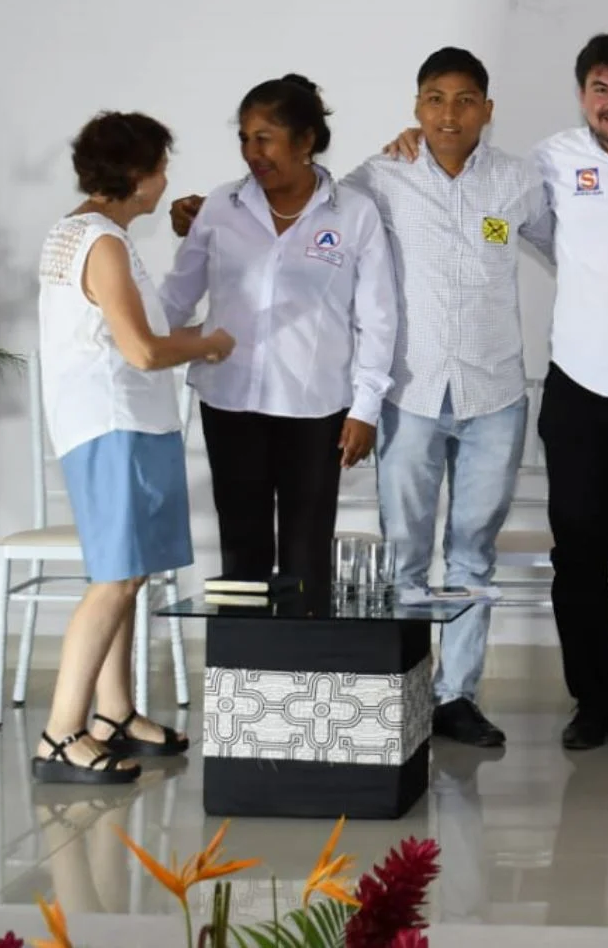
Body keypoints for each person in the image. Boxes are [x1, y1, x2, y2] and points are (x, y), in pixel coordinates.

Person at [176, 50, 545, 747]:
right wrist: (200, 213)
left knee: (472, 552)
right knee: (403, 555)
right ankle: (404, 690)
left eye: (465, 100)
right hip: (410, 391)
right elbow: (299, 203)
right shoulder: (377, 179)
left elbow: (572, 251)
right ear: (416, 106)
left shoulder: (519, 182)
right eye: (434, 99)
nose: (448, 114)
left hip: (494, 392)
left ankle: (457, 697)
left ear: (487, 110)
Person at [385, 31, 608, 751]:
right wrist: (416, 141)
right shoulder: (546, 164)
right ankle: (592, 702)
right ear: (582, 95)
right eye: (602, 89)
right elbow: (496, 207)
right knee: (581, 554)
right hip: (582, 393)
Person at [33, 112, 234, 783]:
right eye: (161, 168)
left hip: (123, 424)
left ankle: (114, 714)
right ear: (137, 175)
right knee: (114, 579)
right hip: (112, 424)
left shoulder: (83, 232)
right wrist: (209, 342)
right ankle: (61, 735)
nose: (166, 179)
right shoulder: (102, 243)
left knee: (129, 571)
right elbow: (143, 350)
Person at [161, 76, 397, 606]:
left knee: (305, 558)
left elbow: (379, 318)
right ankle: (239, 660)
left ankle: (302, 659)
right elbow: (177, 297)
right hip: (229, 403)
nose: (253, 153)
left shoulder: (354, 213)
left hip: (315, 410)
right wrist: (126, 335)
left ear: (306, 140)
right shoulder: (220, 207)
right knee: (240, 553)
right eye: (245, 139)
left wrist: (366, 408)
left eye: (265, 138)